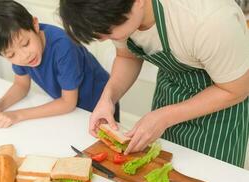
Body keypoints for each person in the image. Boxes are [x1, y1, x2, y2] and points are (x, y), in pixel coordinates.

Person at [59, 0, 249, 167]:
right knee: (162, 170)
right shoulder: (117, 14)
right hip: (169, 94)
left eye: (109, 32)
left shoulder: (208, 20)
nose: (106, 38)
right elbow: (127, 57)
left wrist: (165, 116)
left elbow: (236, 89)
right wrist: (108, 98)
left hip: (220, 112)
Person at [0, 0, 119, 128]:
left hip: (100, 104)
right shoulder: (20, 50)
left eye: (25, 44)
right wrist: (0, 105)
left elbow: (67, 103)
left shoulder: (63, 46)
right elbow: (21, 85)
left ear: (35, 24)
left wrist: (17, 115)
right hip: (73, 112)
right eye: (11, 55)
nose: (24, 56)